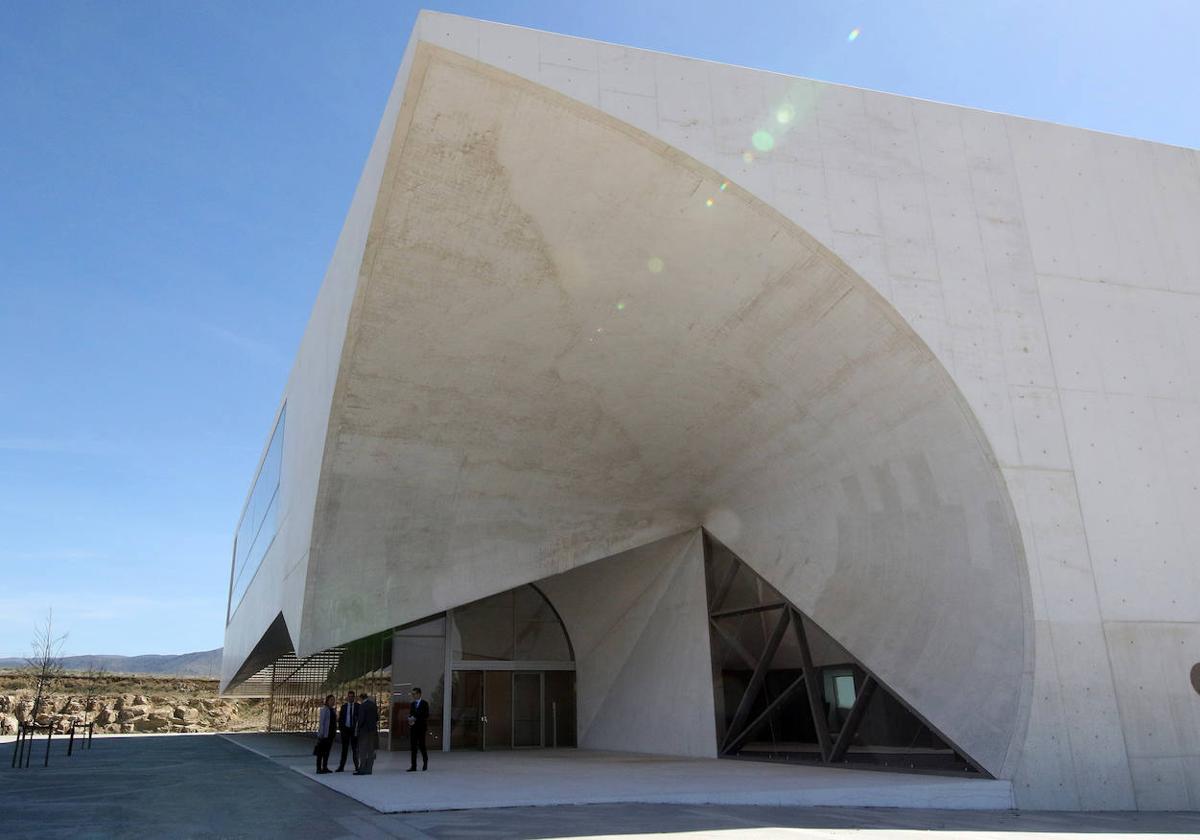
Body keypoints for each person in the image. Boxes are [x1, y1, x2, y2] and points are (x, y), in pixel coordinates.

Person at [353, 691, 379, 775]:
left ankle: (362, 769)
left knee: (363, 751)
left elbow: (361, 719)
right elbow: (377, 718)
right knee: (371, 750)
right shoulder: (373, 705)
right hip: (372, 731)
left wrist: (358, 728)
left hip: (364, 731)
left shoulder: (362, 706)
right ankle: (369, 769)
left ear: (361, 698)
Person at [335, 689, 359, 772]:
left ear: (354, 697)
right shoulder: (344, 707)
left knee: (355, 749)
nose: (350, 698)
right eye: (349, 697)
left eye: (352, 697)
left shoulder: (358, 706)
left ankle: (357, 766)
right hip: (345, 730)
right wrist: (341, 729)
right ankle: (341, 766)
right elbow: (341, 719)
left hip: (354, 730)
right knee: (344, 749)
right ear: (347, 697)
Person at [407, 687, 429, 772]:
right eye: (412, 694)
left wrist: (416, 718)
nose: (413, 696)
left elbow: (426, 715)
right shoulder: (412, 704)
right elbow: (411, 713)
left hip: (421, 727)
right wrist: (410, 718)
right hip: (413, 727)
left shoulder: (424, 703)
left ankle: (425, 761)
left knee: (422, 745)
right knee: (413, 747)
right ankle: (413, 766)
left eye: (414, 694)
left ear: (419, 694)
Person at [313, 694, 336, 774]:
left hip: (331, 734)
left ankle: (325, 767)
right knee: (321, 752)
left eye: (333, 700)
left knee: (327, 751)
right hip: (324, 734)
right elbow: (322, 723)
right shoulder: (324, 710)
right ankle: (319, 768)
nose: (333, 701)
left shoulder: (333, 710)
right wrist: (321, 733)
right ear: (327, 701)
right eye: (331, 700)